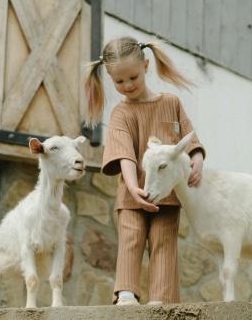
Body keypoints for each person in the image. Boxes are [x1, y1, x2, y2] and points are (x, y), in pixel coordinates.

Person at [84, 36, 205, 305]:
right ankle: (126, 293)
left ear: (146, 66)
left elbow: (189, 136)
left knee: (164, 242)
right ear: (110, 78)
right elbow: (124, 153)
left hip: (167, 194)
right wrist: (132, 187)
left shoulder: (171, 103)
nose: (127, 86)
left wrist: (196, 159)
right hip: (132, 194)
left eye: (133, 78)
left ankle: (160, 300)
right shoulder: (121, 113)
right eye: (119, 81)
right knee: (131, 236)